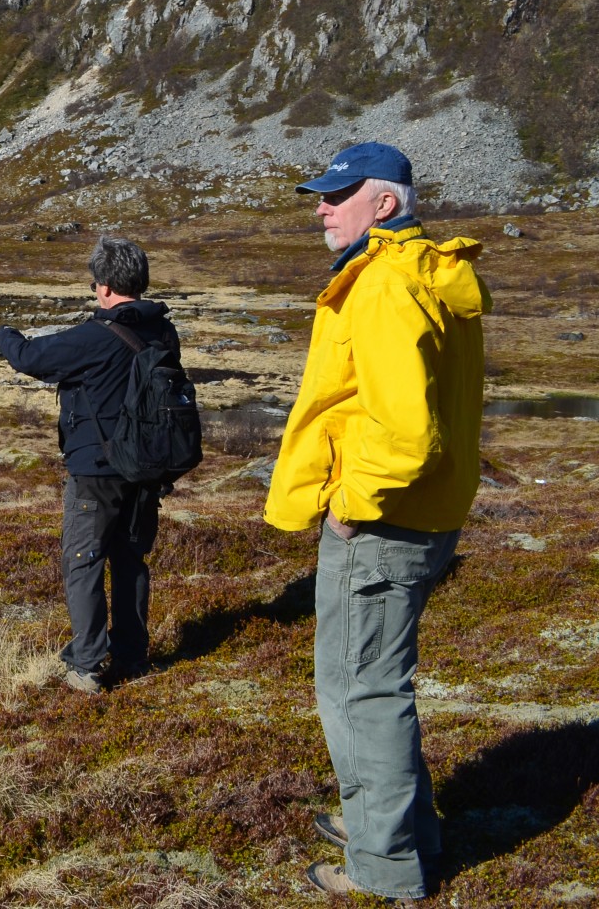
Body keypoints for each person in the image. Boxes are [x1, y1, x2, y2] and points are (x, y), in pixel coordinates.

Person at [265, 142, 487, 900]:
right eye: (321, 195)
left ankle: (384, 866)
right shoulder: (423, 271)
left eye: (338, 194)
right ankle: (391, 823)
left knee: (363, 690)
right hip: (423, 515)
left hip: (383, 524)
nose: (321, 207)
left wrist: (351, 509)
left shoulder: (386, 284)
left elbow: (406, 432)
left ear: (384, 204)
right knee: (369, 683)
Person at [0, 235, 180, 694]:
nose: (95, 290)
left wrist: (4, 336)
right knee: (131, 560)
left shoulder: (97, 336)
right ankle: (133, 656)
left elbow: (32, 358)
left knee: (83, 561)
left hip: (97, 469)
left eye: (96, 283)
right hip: (146, 468)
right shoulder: (162, 330)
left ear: (107, 286)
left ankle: (88, 664)